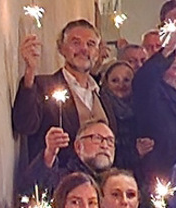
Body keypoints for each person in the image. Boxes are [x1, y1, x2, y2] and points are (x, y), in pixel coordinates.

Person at [14, 20, 110, 175]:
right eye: (75, 42)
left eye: (91, 44)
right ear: (61, 48)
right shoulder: (44, 85)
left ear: (97, 53)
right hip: (57, 183)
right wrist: (30, 71)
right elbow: (24, 125)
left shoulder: (103, 95)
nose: (84, 49)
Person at [133, 35, 176, 186]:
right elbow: (143, 79)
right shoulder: (153, 95)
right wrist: (166, 52)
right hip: (161, 180)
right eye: (175, 67)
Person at [17, 118, 116, 196]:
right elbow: (30, 191)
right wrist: (50, 152)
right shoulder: (64, 180)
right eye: (97, 138)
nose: (105, 145)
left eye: (110, 140)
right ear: (78, 146)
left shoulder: (119, 183)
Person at [100, 62, 155, 173]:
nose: (121, 85)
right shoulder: (101, 108)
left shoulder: (143, 108)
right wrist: (134, 152)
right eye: (115, 80)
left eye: (126, 80)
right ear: (106, 83)